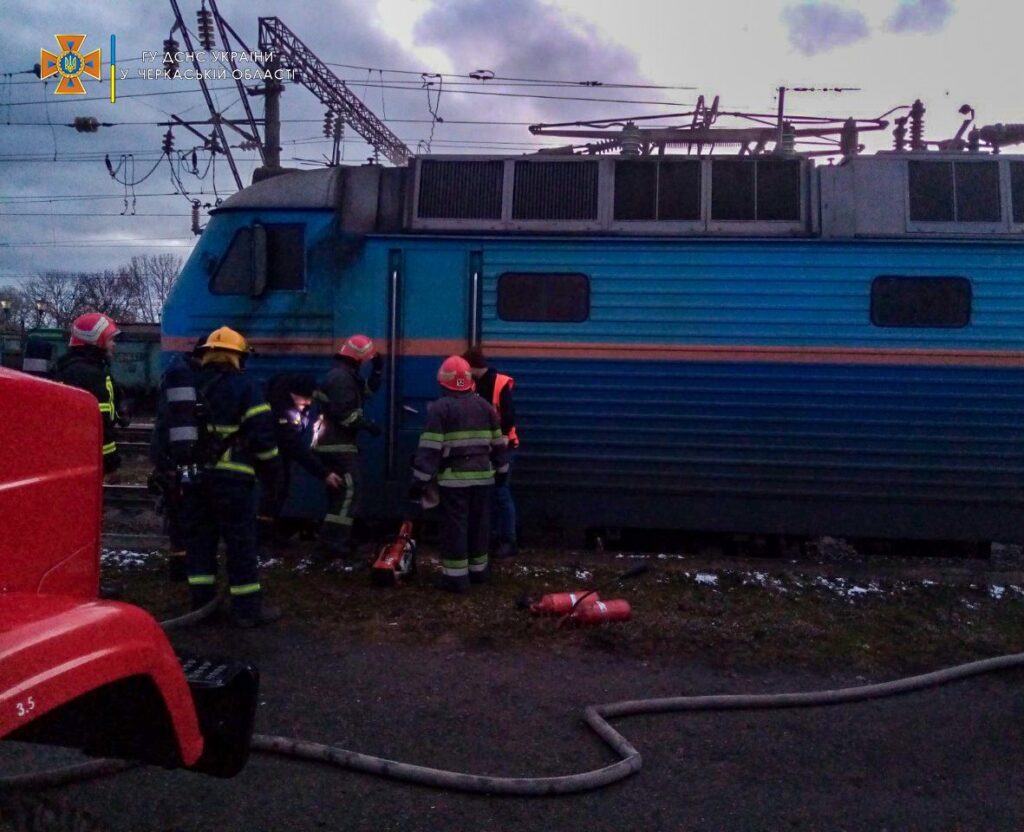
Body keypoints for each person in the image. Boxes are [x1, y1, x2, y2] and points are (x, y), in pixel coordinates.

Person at [183, 326, 281, 628]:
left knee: (200, 542)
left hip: (194, 479)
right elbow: (262, 436)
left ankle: (202, 606)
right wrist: (273, 471)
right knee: (240, 544)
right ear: (238, 356)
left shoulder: (189, 385)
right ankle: (247, 610)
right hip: (233, 481)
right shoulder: (246, 387)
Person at [410, 355, 509, 592]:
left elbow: (430, 449)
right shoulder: (485, 406)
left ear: (443, 382)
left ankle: (456, 579)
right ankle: (479, 572)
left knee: (455, 528)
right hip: (484, 479)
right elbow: (499, 444)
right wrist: (502, 472)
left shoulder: (440, 408)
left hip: (454, 481)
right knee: (479, 525)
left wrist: (418, 482)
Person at [314, 334, 383, 562]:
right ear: (359, 358)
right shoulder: (340, 379)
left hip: (335, 444)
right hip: (336, 445)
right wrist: (369, 425)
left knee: (340, 494)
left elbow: (367, 392)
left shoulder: (345, 376)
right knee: (350, 490)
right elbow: (345, 415)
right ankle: (334, 544)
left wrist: (377, 372)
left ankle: (332, 542)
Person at [260, 372, 343, 540]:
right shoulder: (281, 411)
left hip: (278, 460)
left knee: (277, 494)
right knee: (272, 496)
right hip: (270, 461)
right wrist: (324, 473)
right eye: (304, 399)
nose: (308, 403)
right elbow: (294, 445)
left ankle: (267, 536)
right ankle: (262, 538)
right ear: (292, 393)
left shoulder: (291, 405)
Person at [150, 337, 206, 582]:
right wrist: (183, 462)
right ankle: (182, 568)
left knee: (180, 514)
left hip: (169, 455)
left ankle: (182, 564)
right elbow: (182, 425)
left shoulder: (181, 370)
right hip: (175, 458)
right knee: (182, 514)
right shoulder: (183, 376)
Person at [463, 346, 520, 559]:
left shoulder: (499, 382)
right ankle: (494, 538)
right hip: (484, 449)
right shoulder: (470, 383)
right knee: (492, 494)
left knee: (501, 493)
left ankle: (508, 541)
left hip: (502, 448)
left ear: (474, 367)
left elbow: (509, 416)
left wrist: (501, 439)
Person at [53, 312, 122, 474]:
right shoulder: (93, 376)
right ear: (96, 341)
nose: (114, 344)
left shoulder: (66, 368)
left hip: (67, 455)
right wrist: (109, 458)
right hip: (86, 460)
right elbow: (100, 422)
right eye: (110, 339)